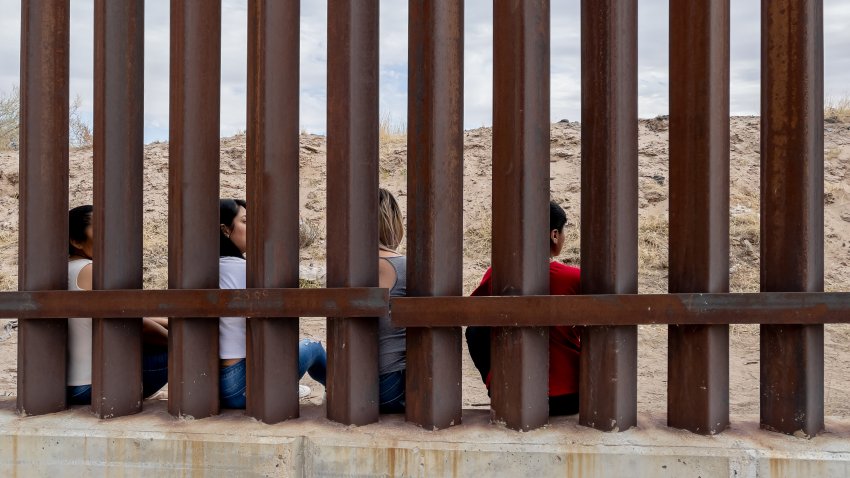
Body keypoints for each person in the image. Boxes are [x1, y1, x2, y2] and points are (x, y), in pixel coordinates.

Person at [465, 201, 582, 415]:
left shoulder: (497, 275)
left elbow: (474, 324)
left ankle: (497, 384)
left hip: (514, 395)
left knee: (475, 328)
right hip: (570, 398)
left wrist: (492, 380)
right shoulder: (574, 278)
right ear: (554, 235)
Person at [218, 199, 328, 409]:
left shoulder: (207, 270)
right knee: (312, 347)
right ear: (225, 230)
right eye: (246, 221)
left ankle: (287, 386)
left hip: (215, 383)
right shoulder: (245, 271)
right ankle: (337, 390)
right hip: (243, 387)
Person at [66, 205, 169, 405]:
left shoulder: (68, 269)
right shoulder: (91, 271)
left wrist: (167, 322)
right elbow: (134, 324)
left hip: (72, 386)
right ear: (76, 240)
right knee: (184, 351)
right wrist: (179, 343)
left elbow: (120, 316)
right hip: (94, 387)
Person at [376, 188, 407, 413]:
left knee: (315, 351)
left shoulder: (344, 268)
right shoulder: (404, 265)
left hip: (349, 388)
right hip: (392, 387)